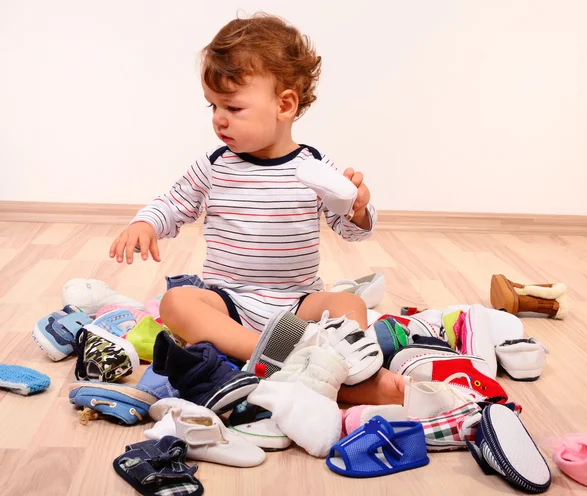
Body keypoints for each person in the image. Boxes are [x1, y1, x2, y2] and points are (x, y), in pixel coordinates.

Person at [109, 13, 404, 405]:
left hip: (298, 304)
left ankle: (338, 368)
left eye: (232, 107)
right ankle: (289, 363)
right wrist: (146, 221)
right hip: (229, 302)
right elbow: (174, 203)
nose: (218, 119)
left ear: (284, 105)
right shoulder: (215, 164)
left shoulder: (314, 168)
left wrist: (358, 209)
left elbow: (350, 230)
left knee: (348, 303)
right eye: (212, 106)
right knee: (177, 302)